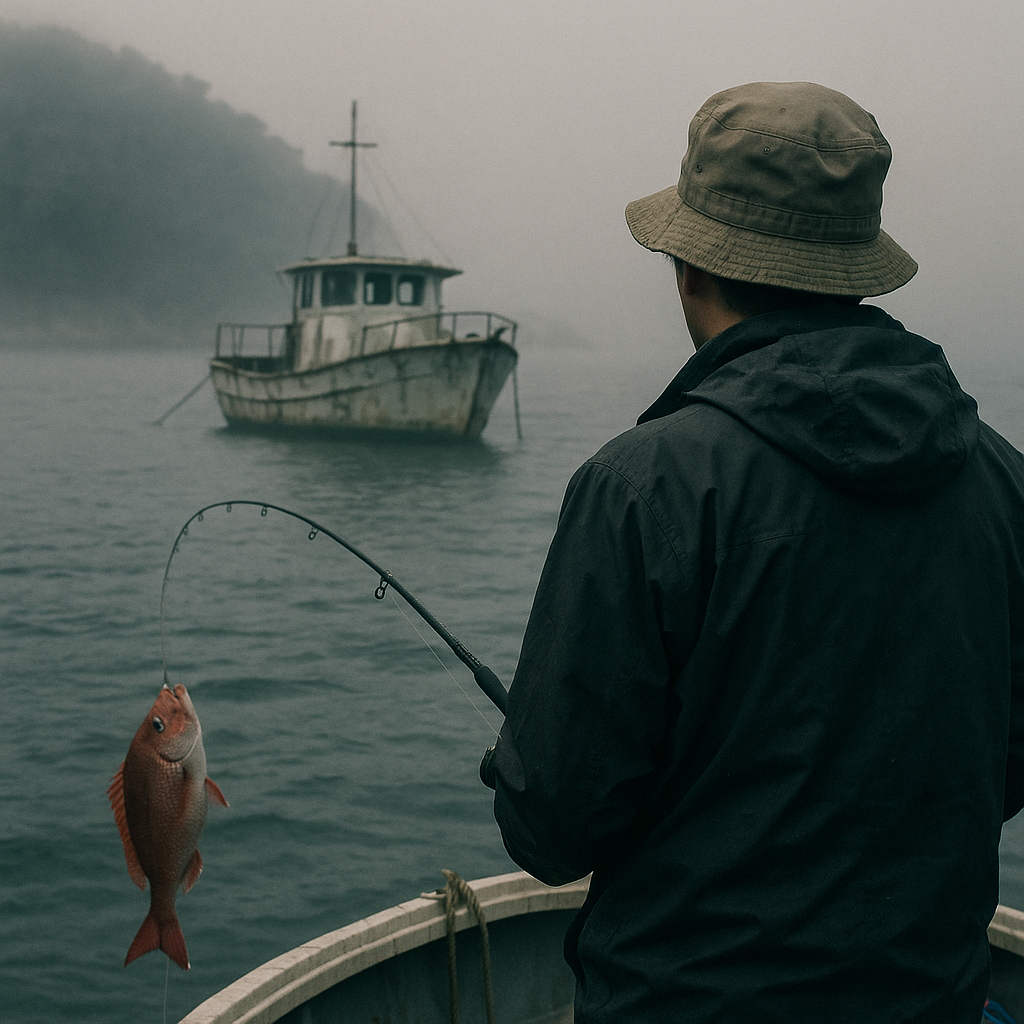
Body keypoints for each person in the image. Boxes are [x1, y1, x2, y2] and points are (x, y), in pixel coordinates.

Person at [481, 81, 1024, 1023]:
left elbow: (553, 831)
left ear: (690, 264)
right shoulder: (1005, 482)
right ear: (855, 266)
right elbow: (1007, 769)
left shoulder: (642, 487)